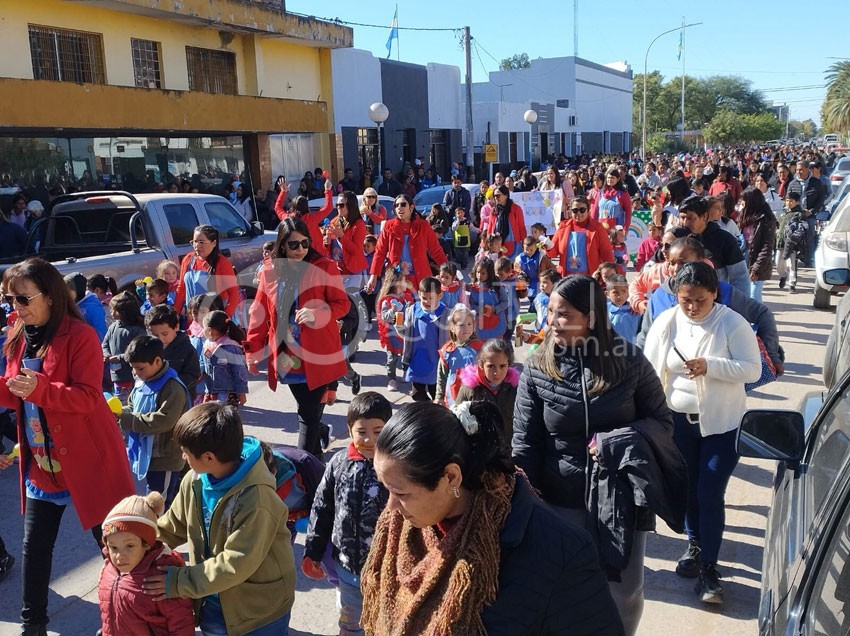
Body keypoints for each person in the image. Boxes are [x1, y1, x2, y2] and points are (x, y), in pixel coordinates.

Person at [512, 275, 686, 635]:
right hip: (558, 504)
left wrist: (616, 440)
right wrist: (527, 502)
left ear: (590, 317)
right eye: (551, 313)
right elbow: (524, 444)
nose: (552, 322)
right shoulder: (538, 367)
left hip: (621, 500)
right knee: (559, 597)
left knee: (622, 595)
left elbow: (662, 423)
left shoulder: (630, 361)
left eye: (562, 314)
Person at [362, 400, 625, 635]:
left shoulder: (560, 553)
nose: (391, 507)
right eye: (386, 488)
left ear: (451, 477)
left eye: (400, 493)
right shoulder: (402, 530)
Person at [0, 258, 134, 636]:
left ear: (50, 295)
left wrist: (40, 389)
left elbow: (91, 396)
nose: (16, 308)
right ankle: (33, 624)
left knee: (114, 546)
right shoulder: (18, 335)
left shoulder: (80, 335)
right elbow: (14, 392)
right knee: (34, 549)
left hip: (89, 460)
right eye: (10, 300)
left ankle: (134, 617)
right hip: (43, 464)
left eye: (23, 299)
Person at [644, 262, 760, 606]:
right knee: (689, 493)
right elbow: (650, 371)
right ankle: (695, 546)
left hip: (721, 426)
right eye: (685, 300)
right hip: (678, 424)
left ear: (714, 294)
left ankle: (710, 567)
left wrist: (712, 366)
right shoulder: (667, 322)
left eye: (700, 300)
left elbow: (752, 369)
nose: (692, 307)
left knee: (709, 492)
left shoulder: (731, 322)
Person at [147, 402, 296, 635]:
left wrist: (179, 582)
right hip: (211, 601)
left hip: (257, 612)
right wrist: (138, 542)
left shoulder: (256, 498)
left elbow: (236, 563)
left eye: (185, 451)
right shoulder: (195, 480)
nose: (183, 456)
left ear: (208, 457)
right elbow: (173, 525)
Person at [245, 217, 349, 458]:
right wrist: (252, 351)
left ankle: (302, 467)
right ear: (282, 246)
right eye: (293, 245)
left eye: (305, 243)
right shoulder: (269, 271)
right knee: (309, 414)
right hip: (286, 356)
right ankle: (318, 463)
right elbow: (258, 312)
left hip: (318, 355)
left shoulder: (324, 266)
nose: (300, 249)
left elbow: (342, 304)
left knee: (308, 415)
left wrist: (318, 312)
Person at [302, 392, 392, 636]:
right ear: (350, 430)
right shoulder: (338, 463)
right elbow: (322, 508)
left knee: (386, 623)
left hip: (387, 571)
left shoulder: (397, 467)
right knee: (351, 625)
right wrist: (313, 550)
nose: (370, 439)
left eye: (378, 431)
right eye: (362, 432)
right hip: (347, 568)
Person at [98, 492, 195, 636]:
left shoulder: (160, 577)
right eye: (113, 547)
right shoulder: (108, 571)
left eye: (130, 546)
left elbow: (181, 621)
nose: (119, 555)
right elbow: (107, 617)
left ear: (147, 544)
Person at [119, 335, 190, 507]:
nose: (135, 373)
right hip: (149, 455)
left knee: (158, 504)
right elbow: (132, 406)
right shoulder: (142, 381)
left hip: (165, 457)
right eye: (133, 368)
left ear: (157, 361)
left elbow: (164, 421)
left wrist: (127, 419)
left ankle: (158, 534)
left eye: (140, 368)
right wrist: (119, 413)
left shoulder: (172, 387)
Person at [365, 194, 447, 293]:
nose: (399, 208)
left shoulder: (423, 225)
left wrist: (448, 272)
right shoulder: (388, 226)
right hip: (396, 279)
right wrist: (373, 276)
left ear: (411, 207)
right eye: (396, 205)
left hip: (420, 279)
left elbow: (436, 251)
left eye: (403, 204)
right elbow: (380, 252)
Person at [677, 195, 749, 295]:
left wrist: (740, 305)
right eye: (682, 218)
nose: (685, 223)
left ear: (704, 216)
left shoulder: (725, 240)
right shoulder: (677, 238)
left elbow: (740, 278)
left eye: (690, 218)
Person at [455, 338, 518, 440]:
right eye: (491, 366)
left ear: (509, 364)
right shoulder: (469, 389)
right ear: (481, 365)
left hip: (508, 446)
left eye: (502, 366)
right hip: (478, 448)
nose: (496, 372)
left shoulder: (515, 388)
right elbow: (456, 419)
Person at [173, 225, 239, 320]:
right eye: (195, 242)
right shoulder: (188, 259)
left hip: (214, 318)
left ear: (214, 243)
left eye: (202, 242)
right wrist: (176, 313)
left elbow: (233, 294)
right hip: (193, 317)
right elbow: (181, 289)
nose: (197, 246)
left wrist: (225, 316)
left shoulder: (222, 263)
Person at [400, 276, 449, 402]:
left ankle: (437, 413)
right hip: (418, 358)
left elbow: (451, 336)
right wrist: (398, 326)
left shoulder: (445, 313)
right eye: (424, 298)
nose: (427, 301)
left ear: (440, 296)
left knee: (437, 393)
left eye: (431, 298)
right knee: (416, 394)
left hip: (435, 360)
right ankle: (429, 409)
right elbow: (406, 332)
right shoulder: (412, 310)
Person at [145, 304, 201, 402]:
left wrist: (169, 385)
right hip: (153, 397)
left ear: (176, 327)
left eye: (165, 334)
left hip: (178, 399)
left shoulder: (187, 349)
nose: (161, 339)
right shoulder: (148, 348)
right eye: (155, 335)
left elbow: (193, 375)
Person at [548, 195, 615, 277]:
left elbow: (606, 252)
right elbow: (553, 254)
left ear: (588, 210)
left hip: (590, 277)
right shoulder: (563, 228)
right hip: (567, 278)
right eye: (575, 210)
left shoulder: (597, 228)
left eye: (582, 210)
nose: (578, 213)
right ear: (570, 211)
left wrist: (611, 273)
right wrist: (547, 247)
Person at [103, 292, 147, 403]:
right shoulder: (113, 327)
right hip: (116, 374)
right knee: (119, 400)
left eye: (114, 310)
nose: (111, 313)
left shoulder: (137, 330)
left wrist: (120, 358)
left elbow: (138, 350)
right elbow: (105, 343)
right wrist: (106, 354)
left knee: (128, 403)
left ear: (124, 312)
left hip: (131, 375)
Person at [435, 305, 482, 407]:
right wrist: (439, 396)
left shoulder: (479, 348)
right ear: (452, 328)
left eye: (469, 324)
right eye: (461, 325)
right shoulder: (447, 351)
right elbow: (442, 375)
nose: (467, 328)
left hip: (474, 396)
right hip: (452, 396)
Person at [377, 267, 414, 393]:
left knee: (407, 354)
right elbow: (385, 317)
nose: (406, 283)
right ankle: (391, 379)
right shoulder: (387, 300)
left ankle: (405, 372)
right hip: (392, 334)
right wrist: (392, 310)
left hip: (405, 332)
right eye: (404, 281)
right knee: (392, 358)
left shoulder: (407, 298)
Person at [737, 187, 777, 302]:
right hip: (742, 259)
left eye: (744, 200)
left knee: (754, 296)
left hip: (756, 261)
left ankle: (758, 319)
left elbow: (766, 247)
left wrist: (756, 269)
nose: (742, 203)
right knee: (743, 296)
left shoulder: (766, 219)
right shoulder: (744, 215)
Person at [202, 310, 248, 407]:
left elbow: (239, 371)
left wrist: (241, 392)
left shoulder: (231, 347)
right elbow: (204, 366)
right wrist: (207, 391)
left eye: (204, 328)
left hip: (227, 394)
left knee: (225, 419)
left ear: (210, 330)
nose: (202, 331)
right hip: (212, 392)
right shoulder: (207, 345)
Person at [325, 190, 368, 291]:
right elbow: (329, 249)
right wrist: (326, 243)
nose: (338, 207)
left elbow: (357, 251)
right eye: (337, 205)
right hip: (337, 271)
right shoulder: (334, 221)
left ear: (350, 205)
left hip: (353, 272)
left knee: (352, 304)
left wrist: (341, 236)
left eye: (341, 205)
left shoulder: (359, 225)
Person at [468, 258, 508, 341]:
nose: (479, 275)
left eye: (483, 273)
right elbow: (470, 305)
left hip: (497, 323)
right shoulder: (472, 288)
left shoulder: (497, 287)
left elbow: (505, 302)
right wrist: (479, 309)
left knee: (496, 349)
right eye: (478, 272)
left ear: (489, 274)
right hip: (480, 325)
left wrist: (495, 309)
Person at [775, 191, 807, 293]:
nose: (788, 203)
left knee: (792, 264)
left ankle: (792, 284)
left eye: (791, 201)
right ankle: (784, 276)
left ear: (797, 202)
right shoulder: (783, 213)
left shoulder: (799, 214)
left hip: (793, 243)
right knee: (778, 263)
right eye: (787, 200)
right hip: (780, 243)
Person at [64, 271, 107, 342]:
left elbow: (101, 334)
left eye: (68, 290)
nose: (64, 293)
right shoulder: (72, 304)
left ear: (77, 290)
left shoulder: (93, 308)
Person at [486, 185, 527, 258]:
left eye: (498, 196)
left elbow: (521, 228)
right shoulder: (494, 210)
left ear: (506, 195)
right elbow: (490, 228)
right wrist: (487, 243)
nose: (495, 198)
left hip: (513, 244)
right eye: (494, 196)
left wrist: (525, 244)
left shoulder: (516, 209)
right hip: (496, 245)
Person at [514, 235, 554, 301]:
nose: (529, 252)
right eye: (526, 250)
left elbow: (551, 266)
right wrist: (520, 272)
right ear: (523, 246)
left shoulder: (541, 257)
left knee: (539, 299)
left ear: (535, 248)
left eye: (531, 250)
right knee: (531, 297)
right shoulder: (520, 258)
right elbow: (516, 267)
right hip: (528, 282)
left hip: (539, 282)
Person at [605, 274, 640, 344]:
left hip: (632, 350)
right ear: (607, 294)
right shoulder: (604, 310)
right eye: (615, 292)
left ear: (628, 292)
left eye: (623, 291)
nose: (619, 296)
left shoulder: (635, 310)